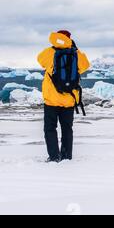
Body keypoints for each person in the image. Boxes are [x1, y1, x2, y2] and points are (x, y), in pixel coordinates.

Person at [37, 30, 90, 162]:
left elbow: (40, 60)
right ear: (69, 38)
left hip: (51, 100)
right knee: (67, 128)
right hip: (69, 100)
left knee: (50, 128)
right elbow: (85, 66)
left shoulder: (49, 52)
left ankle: (54, 157)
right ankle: (66, 156)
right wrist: (75, 49)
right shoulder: (76, 53)